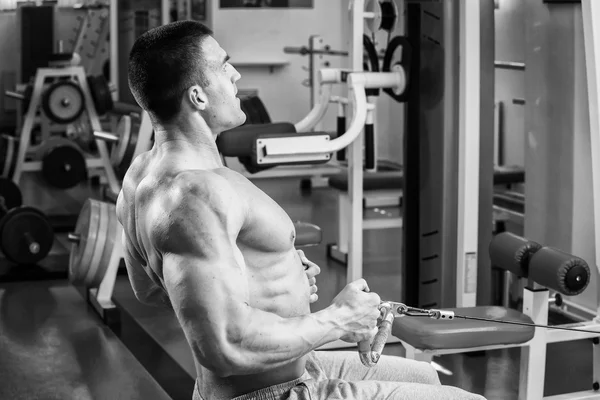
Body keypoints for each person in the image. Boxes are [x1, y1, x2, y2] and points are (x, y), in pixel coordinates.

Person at [116, 20, 487, 400]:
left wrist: (268, 279)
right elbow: (225, 347)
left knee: (427, 378)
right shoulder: (194, 193)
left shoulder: (139, 178)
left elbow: (149, 288)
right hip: (273, 392)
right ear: (198, 96)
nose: (235, 74)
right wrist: (339, 319)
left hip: (293, 367)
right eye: (223, 66)